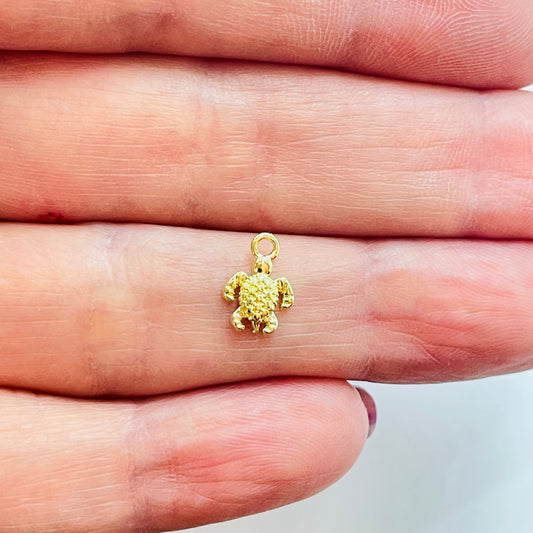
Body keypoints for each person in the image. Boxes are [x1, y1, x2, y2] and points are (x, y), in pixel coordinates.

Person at [0, 0, 532, 531]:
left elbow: (272, 293)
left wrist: (264, 297)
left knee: (260, 324)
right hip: (252, 312)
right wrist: (244, 297)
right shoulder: (254, 279)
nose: (258, 272)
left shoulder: (266, 281)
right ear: (263, 261)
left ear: (265, 261)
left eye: (261, 267)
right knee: (253, 322)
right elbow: (238, 289)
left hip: (262, 314)